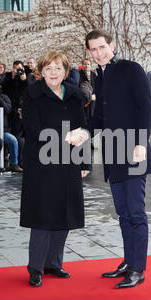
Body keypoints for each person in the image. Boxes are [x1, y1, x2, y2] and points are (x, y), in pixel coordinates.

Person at [76, 29, 151, 289]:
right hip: (112, 153)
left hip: (132, 150)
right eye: (92, 50)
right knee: (122, 213)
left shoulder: (131, 69)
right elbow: (100, 117)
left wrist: (142, 143)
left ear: (112, 45)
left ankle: (138, 269)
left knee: (135, 212)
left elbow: (146, 107)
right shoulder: (101, 75)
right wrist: (85, 131)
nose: (97, 53)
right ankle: (129, 261)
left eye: (101, 47)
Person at [20, 50, 90, 287]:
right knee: (42, 214)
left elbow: (82, 128)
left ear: (65, 71)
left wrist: (85, 161)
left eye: (58, 68)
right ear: (41, 71)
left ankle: (54, 263)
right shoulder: (32, 94)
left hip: (69, 161)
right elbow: (32, 128)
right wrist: (64, 136)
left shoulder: (74, 95)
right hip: (41, 161)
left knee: (65, 211)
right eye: (48, 68)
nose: (53, 72)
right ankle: (36, 268)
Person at [79, 58, 97, 124]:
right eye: (85, 64)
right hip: (84, 99)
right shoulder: (79, 74)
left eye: (88, 64)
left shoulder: (93, 74)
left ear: (90, 65)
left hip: (93, 98)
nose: (86, 66)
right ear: (82, 65)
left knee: (92, 116)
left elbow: (96, 86)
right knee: (85, 117)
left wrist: (94, 94)